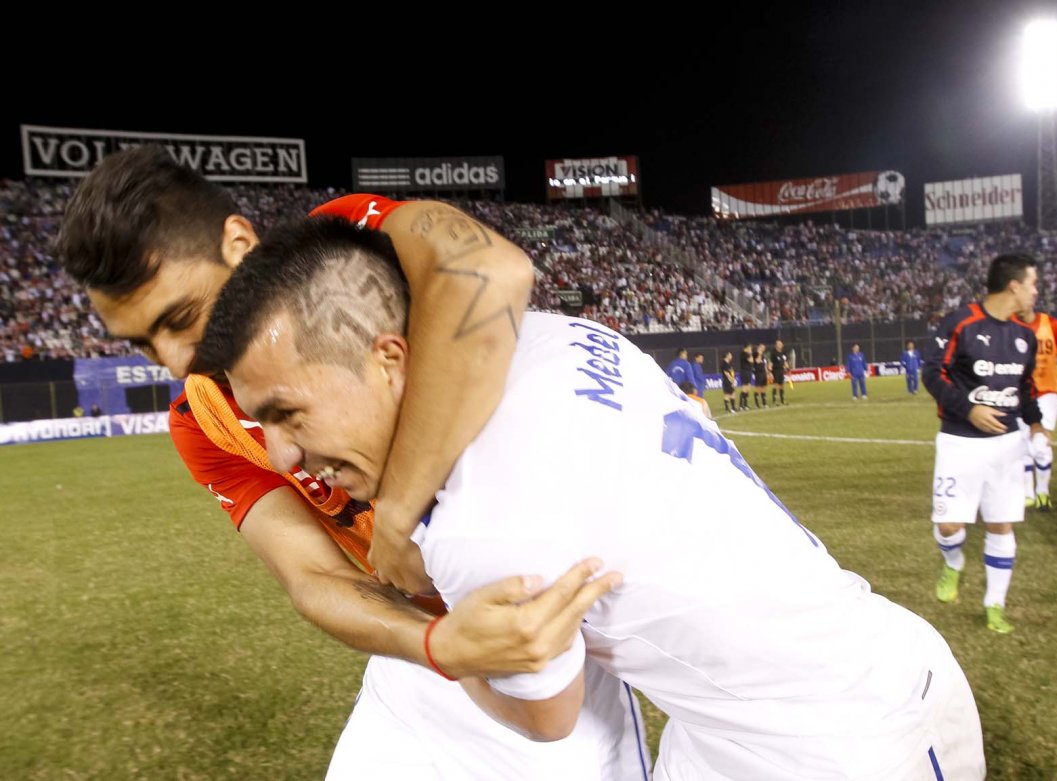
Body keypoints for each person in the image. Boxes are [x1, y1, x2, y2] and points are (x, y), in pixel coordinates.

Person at [198, 218, 987, 781]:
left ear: (388, 357)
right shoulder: (556, 335)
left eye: (287, 413)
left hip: (839, 745)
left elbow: (549, 717)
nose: (282, 454)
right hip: (819, 686)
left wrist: (449, 642)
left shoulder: (474, 521)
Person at [56, 147, 644, 779]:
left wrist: (398, 512)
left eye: (180, 318)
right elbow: (312, 575)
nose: (174, 361)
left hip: (539, 640)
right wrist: (436, 646)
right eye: (143, 344)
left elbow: (493, 269)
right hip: (415, 664)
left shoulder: (347, 240)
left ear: (237, 243)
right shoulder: (202, 420)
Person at [922, 253, 1044, 635]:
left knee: (1001, 524)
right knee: (948, 525)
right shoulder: (961, 322)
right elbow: (932, 372)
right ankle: (953, 563)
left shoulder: (1025, 335)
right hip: (960, 441)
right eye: (1033, 284)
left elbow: (1026, 388)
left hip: (1007, 444)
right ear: (1014, 286)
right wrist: (968, 409)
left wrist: (1037, 426)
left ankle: (995, 604)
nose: (1036, 292)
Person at [1012, 306, 1057, 511]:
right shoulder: (1008, 324)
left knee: (1041, 443)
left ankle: (1043, 492)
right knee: (1023, 443)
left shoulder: (1051, 324)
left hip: (1047, 391)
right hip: (1020, 391)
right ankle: (1027, 493)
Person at [770, 339, 789, 405]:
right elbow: (771, 362)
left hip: (781, 370)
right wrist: (770, 371)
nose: (779, 345)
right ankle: (774, 400)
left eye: (780, 344)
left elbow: (785, 361)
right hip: (775, 370)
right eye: (778, 344)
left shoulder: (783, 352)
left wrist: (787, 368)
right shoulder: (773, 352)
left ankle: (782, 400)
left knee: (781, 385)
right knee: (775, 384)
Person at [752, 343, 769, 408]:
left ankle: (764, 403)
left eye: (764, 348)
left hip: (763, 373)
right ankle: (756, 404)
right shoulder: (755, 354)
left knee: (763, 388)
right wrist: (759, 354)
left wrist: (767, 372)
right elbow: (757, 361)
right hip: (758, 373)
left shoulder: (763, 355)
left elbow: (764, 364)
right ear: (759, 347)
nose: (763, 349)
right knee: (758, 388)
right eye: (762, 348)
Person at [738, 344, 754, 410]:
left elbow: (752, 361)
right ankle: (741, 405)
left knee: (748, 388)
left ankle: (745, 404)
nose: (750, 349)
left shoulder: (747, 354)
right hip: (744, 372)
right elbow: (751, 360)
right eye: (750, 348)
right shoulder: (744, 354)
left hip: (748, 372)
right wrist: (750, 353)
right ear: (746, 348)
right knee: (745, 388)